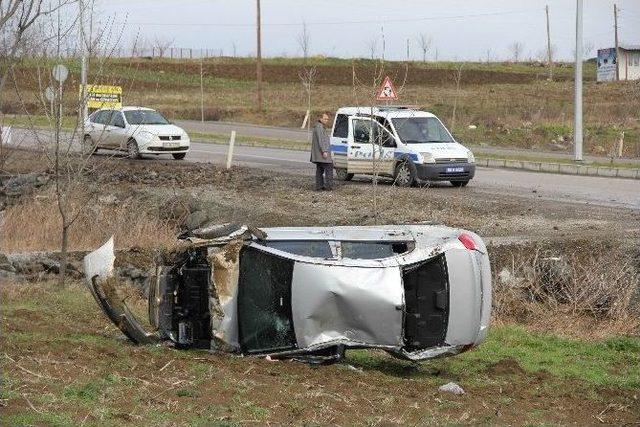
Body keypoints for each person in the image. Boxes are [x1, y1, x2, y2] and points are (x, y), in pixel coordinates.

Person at [310, 113, 333, 191]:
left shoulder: (319, 126)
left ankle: (319, 187)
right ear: (321, 118)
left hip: (319, 155)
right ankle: (329, 187)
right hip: (322, 154)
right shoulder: (319, 127)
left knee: (319, 170)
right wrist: (324, 151)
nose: (327, 120)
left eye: (327, 119)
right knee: (329, 167)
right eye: (325, 119)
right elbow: (321, 140)